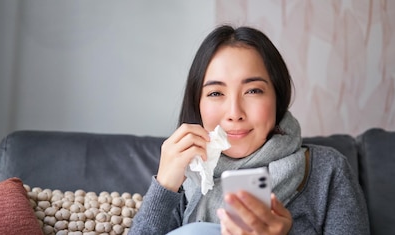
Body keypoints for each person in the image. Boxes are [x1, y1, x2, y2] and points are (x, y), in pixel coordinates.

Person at [129, 25, 369, 235]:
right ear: (197, 104)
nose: (234, 112)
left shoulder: (328, 171)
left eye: (253, 91)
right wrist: (164, 187)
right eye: (215, 93)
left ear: (278, 97)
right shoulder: (184, 174)